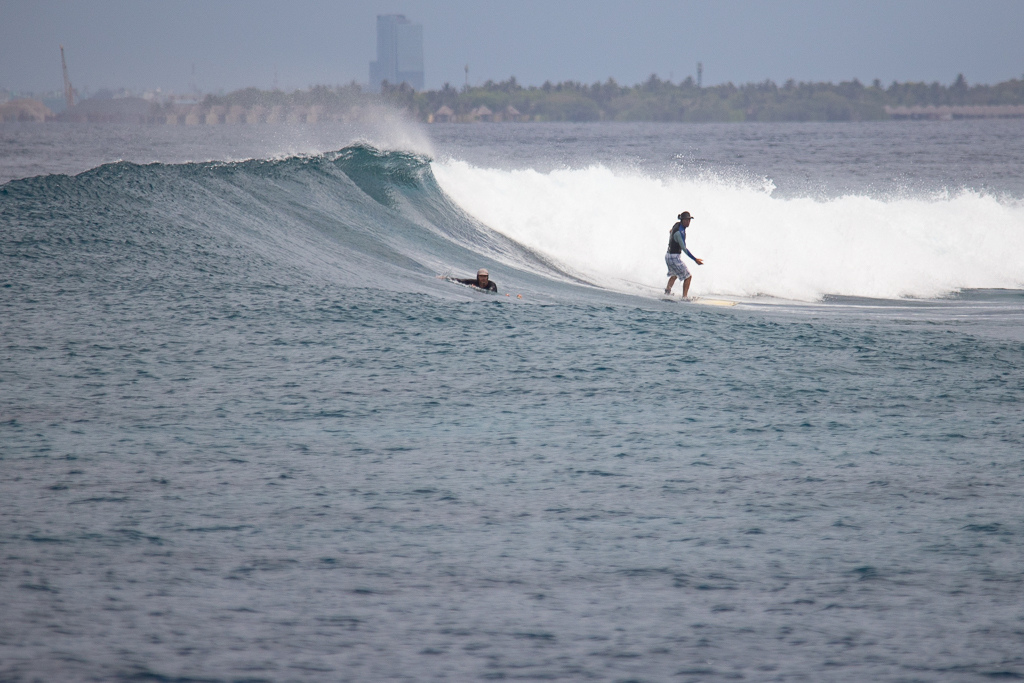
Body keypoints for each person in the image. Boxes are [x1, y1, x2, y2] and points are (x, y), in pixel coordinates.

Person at [664, 211, 703, 298]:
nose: (688, 222)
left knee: (674, 274)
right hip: (674, 257)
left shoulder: (676, 225)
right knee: (688, 277)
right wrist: (695, 259)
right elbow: (684, 249)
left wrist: (672, 237)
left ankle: (667, 292)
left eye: (689, 220)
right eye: (686, 220)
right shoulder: (679, 232)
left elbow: (671, 231)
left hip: (668, 256)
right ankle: (684, 297)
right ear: (682, 220)